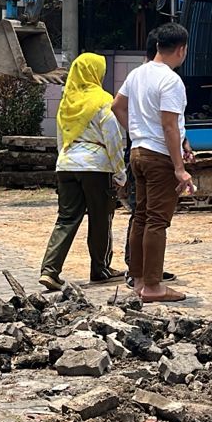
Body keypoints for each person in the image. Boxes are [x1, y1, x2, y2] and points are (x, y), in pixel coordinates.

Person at [114, 22, 193, 302]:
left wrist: (136, 132)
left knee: (141, 216)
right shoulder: (171, 80)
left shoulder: (137, 74)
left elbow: (117, 106)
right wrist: (180, 168)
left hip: (138, 152)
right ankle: (153, 285)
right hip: (159, 156)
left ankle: (137, 278)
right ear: (181, 50)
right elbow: (169, 126)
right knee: (158, 221)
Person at [39, 53, 128, 291]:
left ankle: (49, 270)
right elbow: (113, 139)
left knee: (66, 218)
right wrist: (120, 172)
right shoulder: (102, 101)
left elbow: (61, 139)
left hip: (66, 165)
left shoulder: (66, 103)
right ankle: (100, 269)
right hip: (96, 167)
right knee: (101, 217)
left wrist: (63, 163)